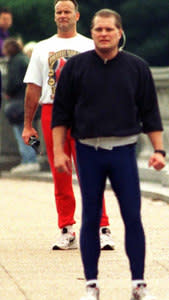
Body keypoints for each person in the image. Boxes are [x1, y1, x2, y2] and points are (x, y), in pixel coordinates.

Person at [52, 8, 165, 300]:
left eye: (109, 30)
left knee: (132, 216)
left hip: (124, 151)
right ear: (91, 33)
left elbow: (150, 112)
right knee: (91, 218)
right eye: (98, 29)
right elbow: (60, 114)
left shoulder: (137, 67)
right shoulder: (75, 68)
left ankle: (138, 283)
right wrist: (59, 152)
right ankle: (91, 285)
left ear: (119, 32)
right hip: (88, 151)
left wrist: (159, 149)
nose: (104, 34)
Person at [22, 0, 115, 251]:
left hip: (85, 112)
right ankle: (66, 228)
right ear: (55, 17)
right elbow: (33, 88)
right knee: (60, 173)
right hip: (53, 111)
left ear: (77, 15)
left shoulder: (90, 45)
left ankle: (101, 228)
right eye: (58, 12)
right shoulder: (43, 48)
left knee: (91, 172)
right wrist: (28, 124)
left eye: (67, 12)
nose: (63, 15)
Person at [2, 38, 40, 173]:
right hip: (32, 101)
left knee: (21, 132)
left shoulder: (14, 62)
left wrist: (8, 92)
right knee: (32, 131)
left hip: (18, 102)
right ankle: (36, 157)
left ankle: (29, 160)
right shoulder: (25, 59)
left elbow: (14, 82)